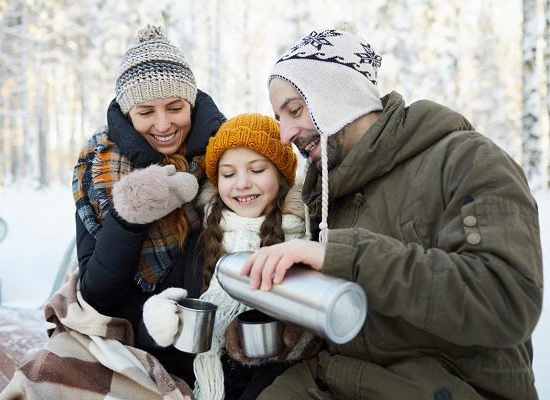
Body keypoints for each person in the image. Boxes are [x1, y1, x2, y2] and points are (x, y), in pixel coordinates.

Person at [240, 21, 543, 399]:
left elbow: (506, 301)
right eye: (279, 118)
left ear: (341, 97)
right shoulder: (325, 189)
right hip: (336, 377)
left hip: (447, 385)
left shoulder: (465, 161)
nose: (285, 134)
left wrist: (343, 255)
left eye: (295, 109)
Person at [72, 24, 225, 387]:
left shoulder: (224, 153)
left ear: (191, 103)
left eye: (175, 107)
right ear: (128, 114)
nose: (163, 124)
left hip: (212, 338)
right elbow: (97, 295)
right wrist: (130, 217)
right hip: (138, 341)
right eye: (146, 112)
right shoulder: (99, 169)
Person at [143, 113, 323, 400]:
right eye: (229, 174)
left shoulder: (302, 243)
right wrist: (161, 318)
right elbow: (165, 334)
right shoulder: (202, 239)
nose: (241, 184)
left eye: (256, 170)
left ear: (280, 174)